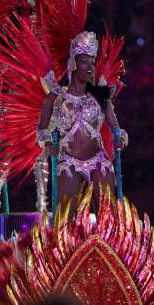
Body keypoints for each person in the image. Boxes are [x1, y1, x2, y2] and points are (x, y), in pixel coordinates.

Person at [36, 31, 127, 208]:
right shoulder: (55, 97)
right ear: (73, 63)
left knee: (108, 217)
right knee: (65, 221)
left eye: (92, 62)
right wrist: (47, 144)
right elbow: (41, 129)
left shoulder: (101, 95)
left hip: (98, 161)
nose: (90, 67)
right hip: (69, 162)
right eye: (84, 61)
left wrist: (121, 137)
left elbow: (116, 128)